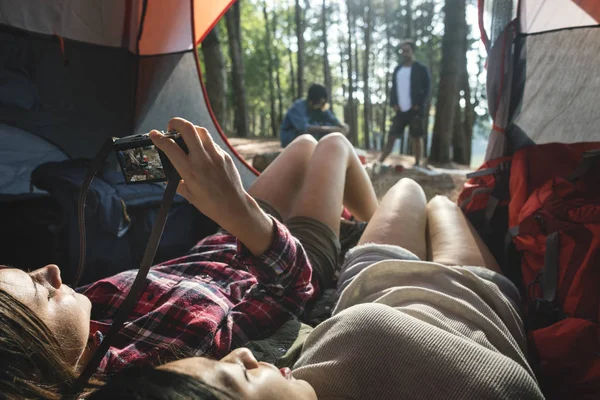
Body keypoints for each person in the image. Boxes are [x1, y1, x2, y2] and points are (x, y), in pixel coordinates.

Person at [0, 117, 378, 398]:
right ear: (40, 368)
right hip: (285, 260)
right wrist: (244, 215)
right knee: (333, 146)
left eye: (30, 272)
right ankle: (382, 233)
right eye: (43, 293)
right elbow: (290, 290)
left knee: (304, 146)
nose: (51, 270)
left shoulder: (84, 310)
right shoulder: (156, 365)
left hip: (226, 238)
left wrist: (229, 212)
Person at [89, 180, 545, 400]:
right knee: (443, 202)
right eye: (238, 377)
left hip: (371, 278)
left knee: (408, 189)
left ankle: (366, 223)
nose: (245, 356)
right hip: (471, 294)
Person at [378, 40, 430, 167]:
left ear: (412, 51)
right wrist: (394, 104)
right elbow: (393, 88)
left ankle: (417, 163)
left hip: (415, 110)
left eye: (407, 51)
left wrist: (418, 104)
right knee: (391, 136)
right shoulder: (398, 70)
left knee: (416, 137)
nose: (405, 53)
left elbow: (427, 89)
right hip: (400, 110)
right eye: (403, 51)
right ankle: (380, 161)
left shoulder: (421, 69)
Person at [279, 84, 349, 148]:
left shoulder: (321, 109)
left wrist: (342, 126)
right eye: (319, 102)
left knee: (327, 126)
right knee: (320, 127)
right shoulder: (298, 107)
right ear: (312, 100)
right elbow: (303, 128)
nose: (320, 105)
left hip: (310, 139)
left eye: (322, 103)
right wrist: (329, 129)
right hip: (290, 138)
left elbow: (332, 119)